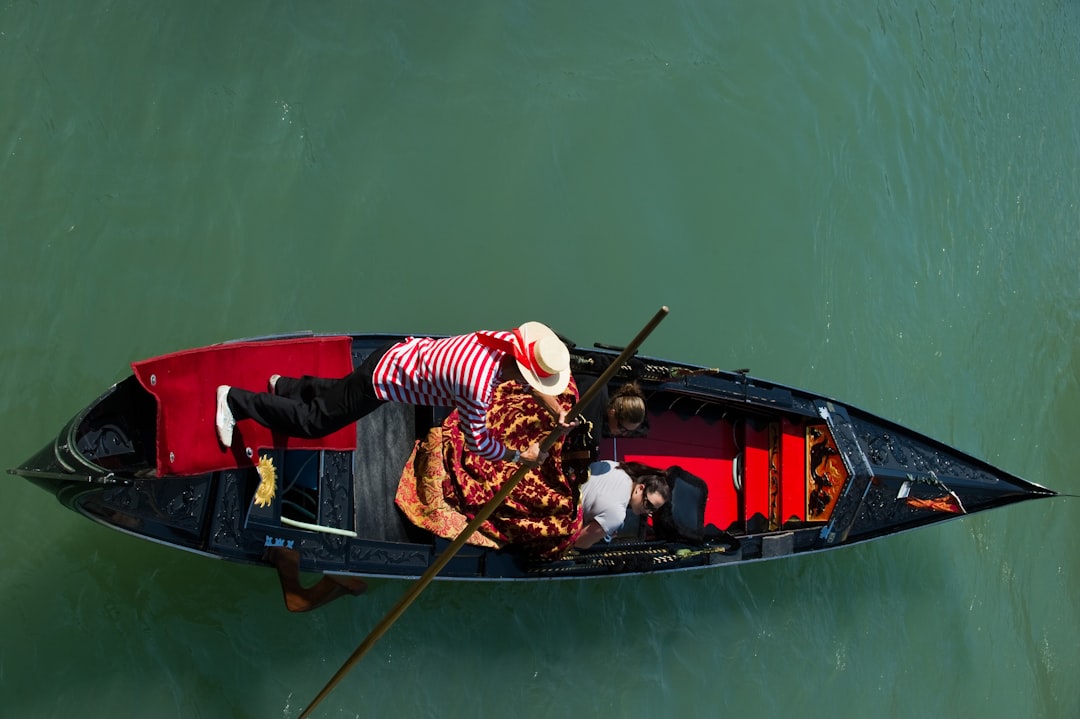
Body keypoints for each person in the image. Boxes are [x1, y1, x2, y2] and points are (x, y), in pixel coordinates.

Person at [215, 322, 575, 465]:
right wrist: (518, 456)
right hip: (385, 379)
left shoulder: (504, 339)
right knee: (316, 423)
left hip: (397, 352)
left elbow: (529, 378)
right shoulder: (477, 386)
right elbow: (477, 441)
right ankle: (235, 400)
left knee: (339, 391)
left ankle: (286, 386)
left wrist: (554, 407)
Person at [573, 460, 671, 549]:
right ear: (640, 488)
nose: (648, 512)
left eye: (653, 510)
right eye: (649, 505)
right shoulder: (617, 515)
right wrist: (600, 535)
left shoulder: (615, 466)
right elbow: (579, 542)